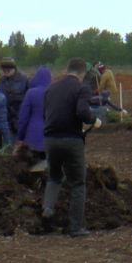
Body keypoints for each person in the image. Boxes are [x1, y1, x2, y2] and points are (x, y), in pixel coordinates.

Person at [40, 59, 96, 237]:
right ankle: (75, 227)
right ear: (82, 74)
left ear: (67, 70)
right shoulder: (82, 88)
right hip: (71, 140)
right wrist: (93, 120)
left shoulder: (51, 88)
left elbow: (45, 113)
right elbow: (82, 112)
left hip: (50, 139)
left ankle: (48, 207)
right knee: (78, 183)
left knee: (54, 176)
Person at [14, 65, 53, 160]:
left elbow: (23, 118)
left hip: (32, 138)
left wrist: (20, 137)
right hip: (51, 138)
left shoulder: (31, 93)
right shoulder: (55, 92)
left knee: (32, 168)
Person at [0, 58, 29, 132]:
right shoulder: (0, 81)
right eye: (4, 68)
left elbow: (28, 99)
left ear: (14, 68)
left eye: (8, 68)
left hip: (18, 118)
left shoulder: (23, 80)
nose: (6, 71)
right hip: (4, 120)